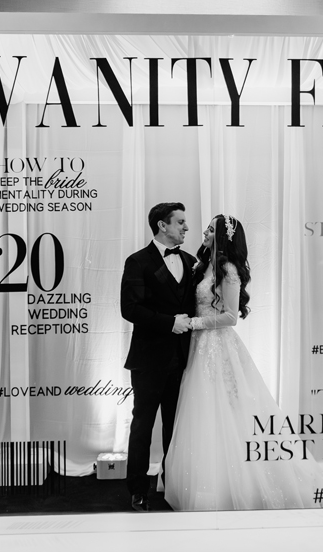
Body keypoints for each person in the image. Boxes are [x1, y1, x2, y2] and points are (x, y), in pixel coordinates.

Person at [164, 215, 323, 511]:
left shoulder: (228, 270)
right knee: (203, 412)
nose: (204, 232)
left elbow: (230, 317)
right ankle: (209, 480)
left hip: (217, 346)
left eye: (211, 229)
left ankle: (240, 484)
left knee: (228, 410)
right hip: (197, 346)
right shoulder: (202, 265)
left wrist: (193, 323)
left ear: (223, 237)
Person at [120, 202, 197, 512]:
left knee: (175, 429)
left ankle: (172, 485)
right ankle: (138, 490)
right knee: (142, 426)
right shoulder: (137, 261)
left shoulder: (191, 262)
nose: (186, 227)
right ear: (162, 226)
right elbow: (130, 309)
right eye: (180, 222)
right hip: (148, 361)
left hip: (184, 360)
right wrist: (169, 323)